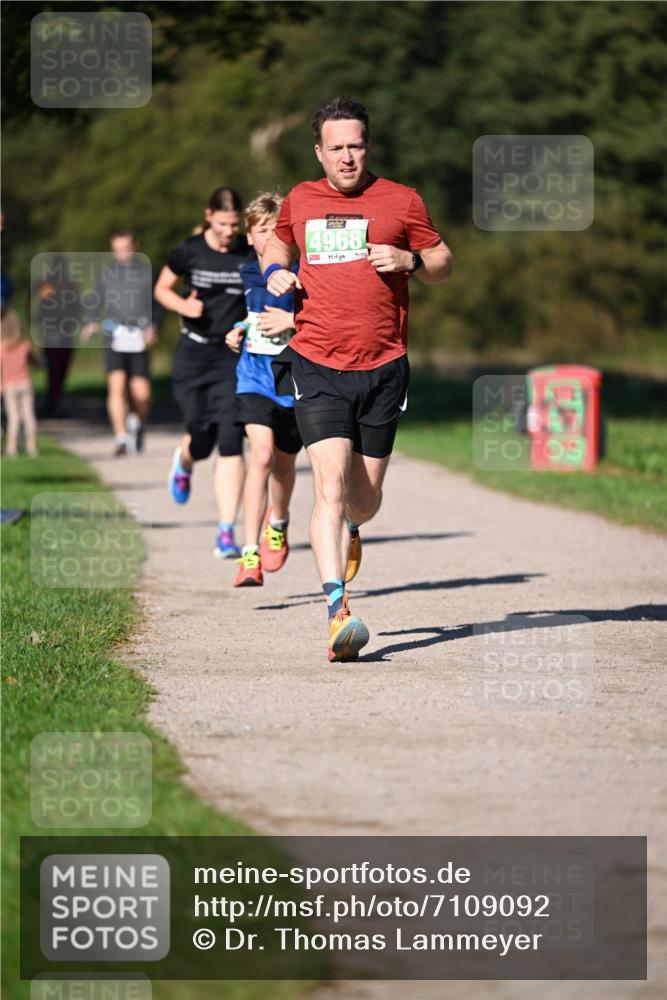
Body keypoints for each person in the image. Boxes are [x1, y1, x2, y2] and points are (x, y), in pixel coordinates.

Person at [262, 96, 453, 662]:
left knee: (362, 502)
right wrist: (276, 271)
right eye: (336, 147)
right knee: (329, 487)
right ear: (319, 151)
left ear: (368, 147)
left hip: (384, 367)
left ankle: (354, 527)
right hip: (316, 360)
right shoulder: (300, 198)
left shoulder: (401, 199)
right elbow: (278, 240)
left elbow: (444, 260)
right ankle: (337, 612)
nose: (347, 157)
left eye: (356, 145)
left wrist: (411, 261)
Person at [155, 187, 253, 558]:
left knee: (231, 438)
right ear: (209, 215)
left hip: (231, 356)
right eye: (223, 223)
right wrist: (183, 304)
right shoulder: (190, 250)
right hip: (193, 354)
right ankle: (183, 461)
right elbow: (161, 288)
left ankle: (226, 531)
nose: (229, 231)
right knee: (201, 439)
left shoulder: (247, 251)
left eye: (234, 224)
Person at [225, 193, 301, 587]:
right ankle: (249, 553)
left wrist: (291, 320)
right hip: (253, 378)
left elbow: (324, 317)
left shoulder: (303, 269)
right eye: (262, 231)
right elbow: (250, 314)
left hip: (294, 380)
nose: (270, 237)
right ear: (251, 236)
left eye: (277, 230)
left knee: (285, 467)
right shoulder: (246, 272)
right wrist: (237, 331)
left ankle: (279, 520)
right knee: (261, 456)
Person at [81, 231, 162, 455]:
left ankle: (138, 422)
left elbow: (158, 302)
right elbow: (95, 299)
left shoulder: (147, 272)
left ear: (134, 246)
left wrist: (155, 325)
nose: (121, 253)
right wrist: (89, 321)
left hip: (138, 337)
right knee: (116, 386)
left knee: (142, 393)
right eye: (117, 249)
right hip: (113, 335)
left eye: (125, 248)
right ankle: (121, 439)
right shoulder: (107, 273)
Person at [1, 308, 38, 457]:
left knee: (14, 418)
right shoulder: (25, 345)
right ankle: (32, 446)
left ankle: (12, 447)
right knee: (29, 416)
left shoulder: (2, 347)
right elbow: (34, 362)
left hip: (9, 385)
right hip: (25, 383)